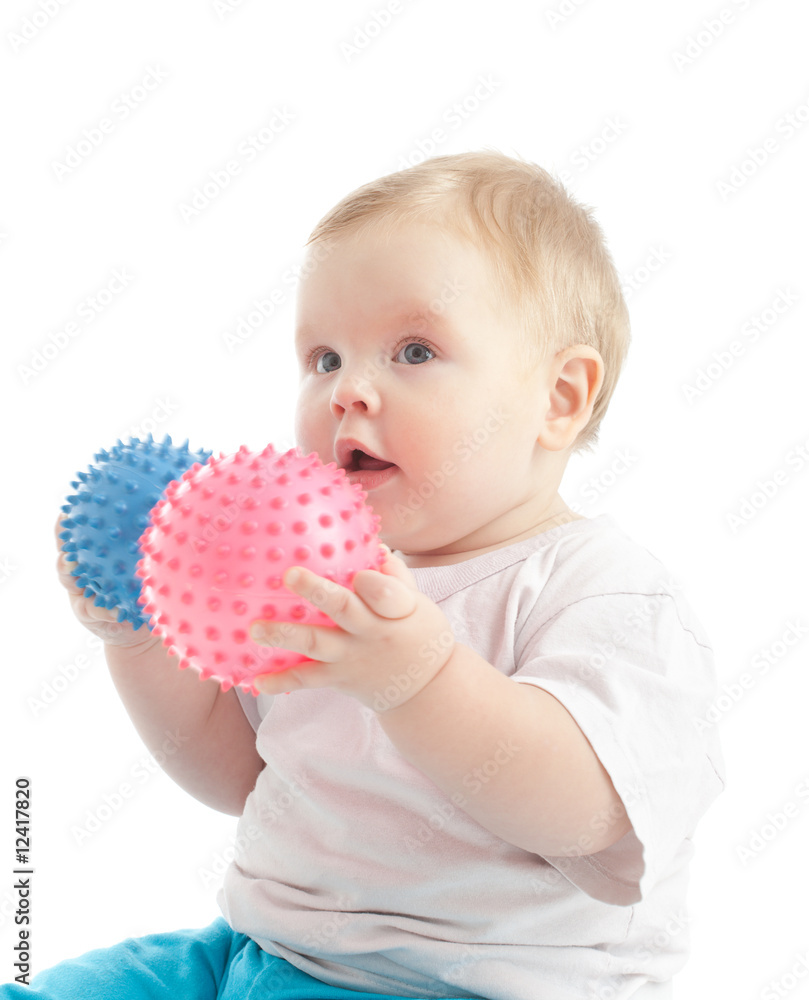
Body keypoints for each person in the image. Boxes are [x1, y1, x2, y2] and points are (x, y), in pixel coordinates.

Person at [17, 150, 724, 1000]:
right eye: (323, 359)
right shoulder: (309, 573)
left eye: (414, 350)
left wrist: (418, 678)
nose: (348, 390)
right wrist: (136, 636)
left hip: (462, 987)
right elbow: (240, 775)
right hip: (255, 951)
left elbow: (585, 815)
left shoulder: (598, 591)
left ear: (559, 397)